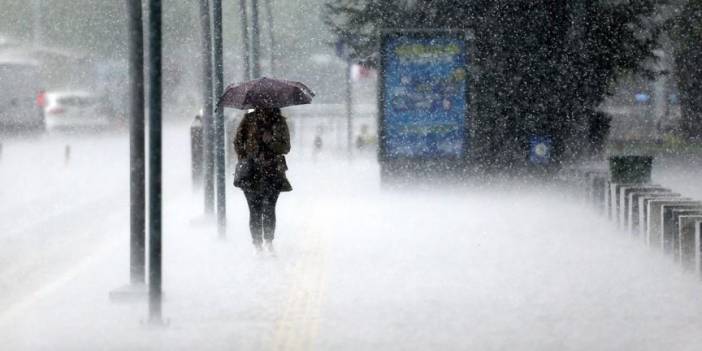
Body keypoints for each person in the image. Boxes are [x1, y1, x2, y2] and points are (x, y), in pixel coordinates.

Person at [233, 107, 292, 254]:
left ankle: (268, 241)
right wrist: (245, 157)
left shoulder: (279, 122)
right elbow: (237, 142)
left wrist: (270, 141)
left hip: (273, 171)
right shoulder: (248, 120)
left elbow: (286, 147)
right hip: (251, 173)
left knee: (269, 208)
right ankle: (257, 244)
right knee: (254, 209)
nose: (265, 104)